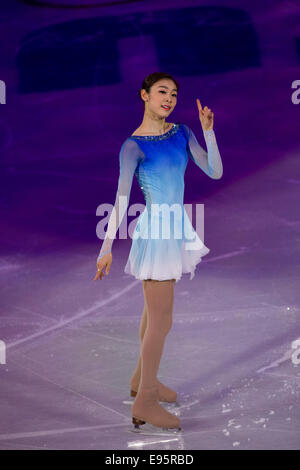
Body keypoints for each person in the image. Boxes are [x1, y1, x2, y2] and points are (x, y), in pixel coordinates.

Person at [94, 72, 223, 432]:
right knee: (162, 319)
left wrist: (208, 130)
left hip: (175, 227)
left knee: (153, 316)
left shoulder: (182, 133)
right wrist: (106, 249)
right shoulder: (133, 146)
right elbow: (120, 202)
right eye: (162, 92)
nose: (169, 98)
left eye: (174, 94)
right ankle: (145, 401)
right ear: (144, 96)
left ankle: (140, 381)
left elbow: (214, 171)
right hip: (155, 232)